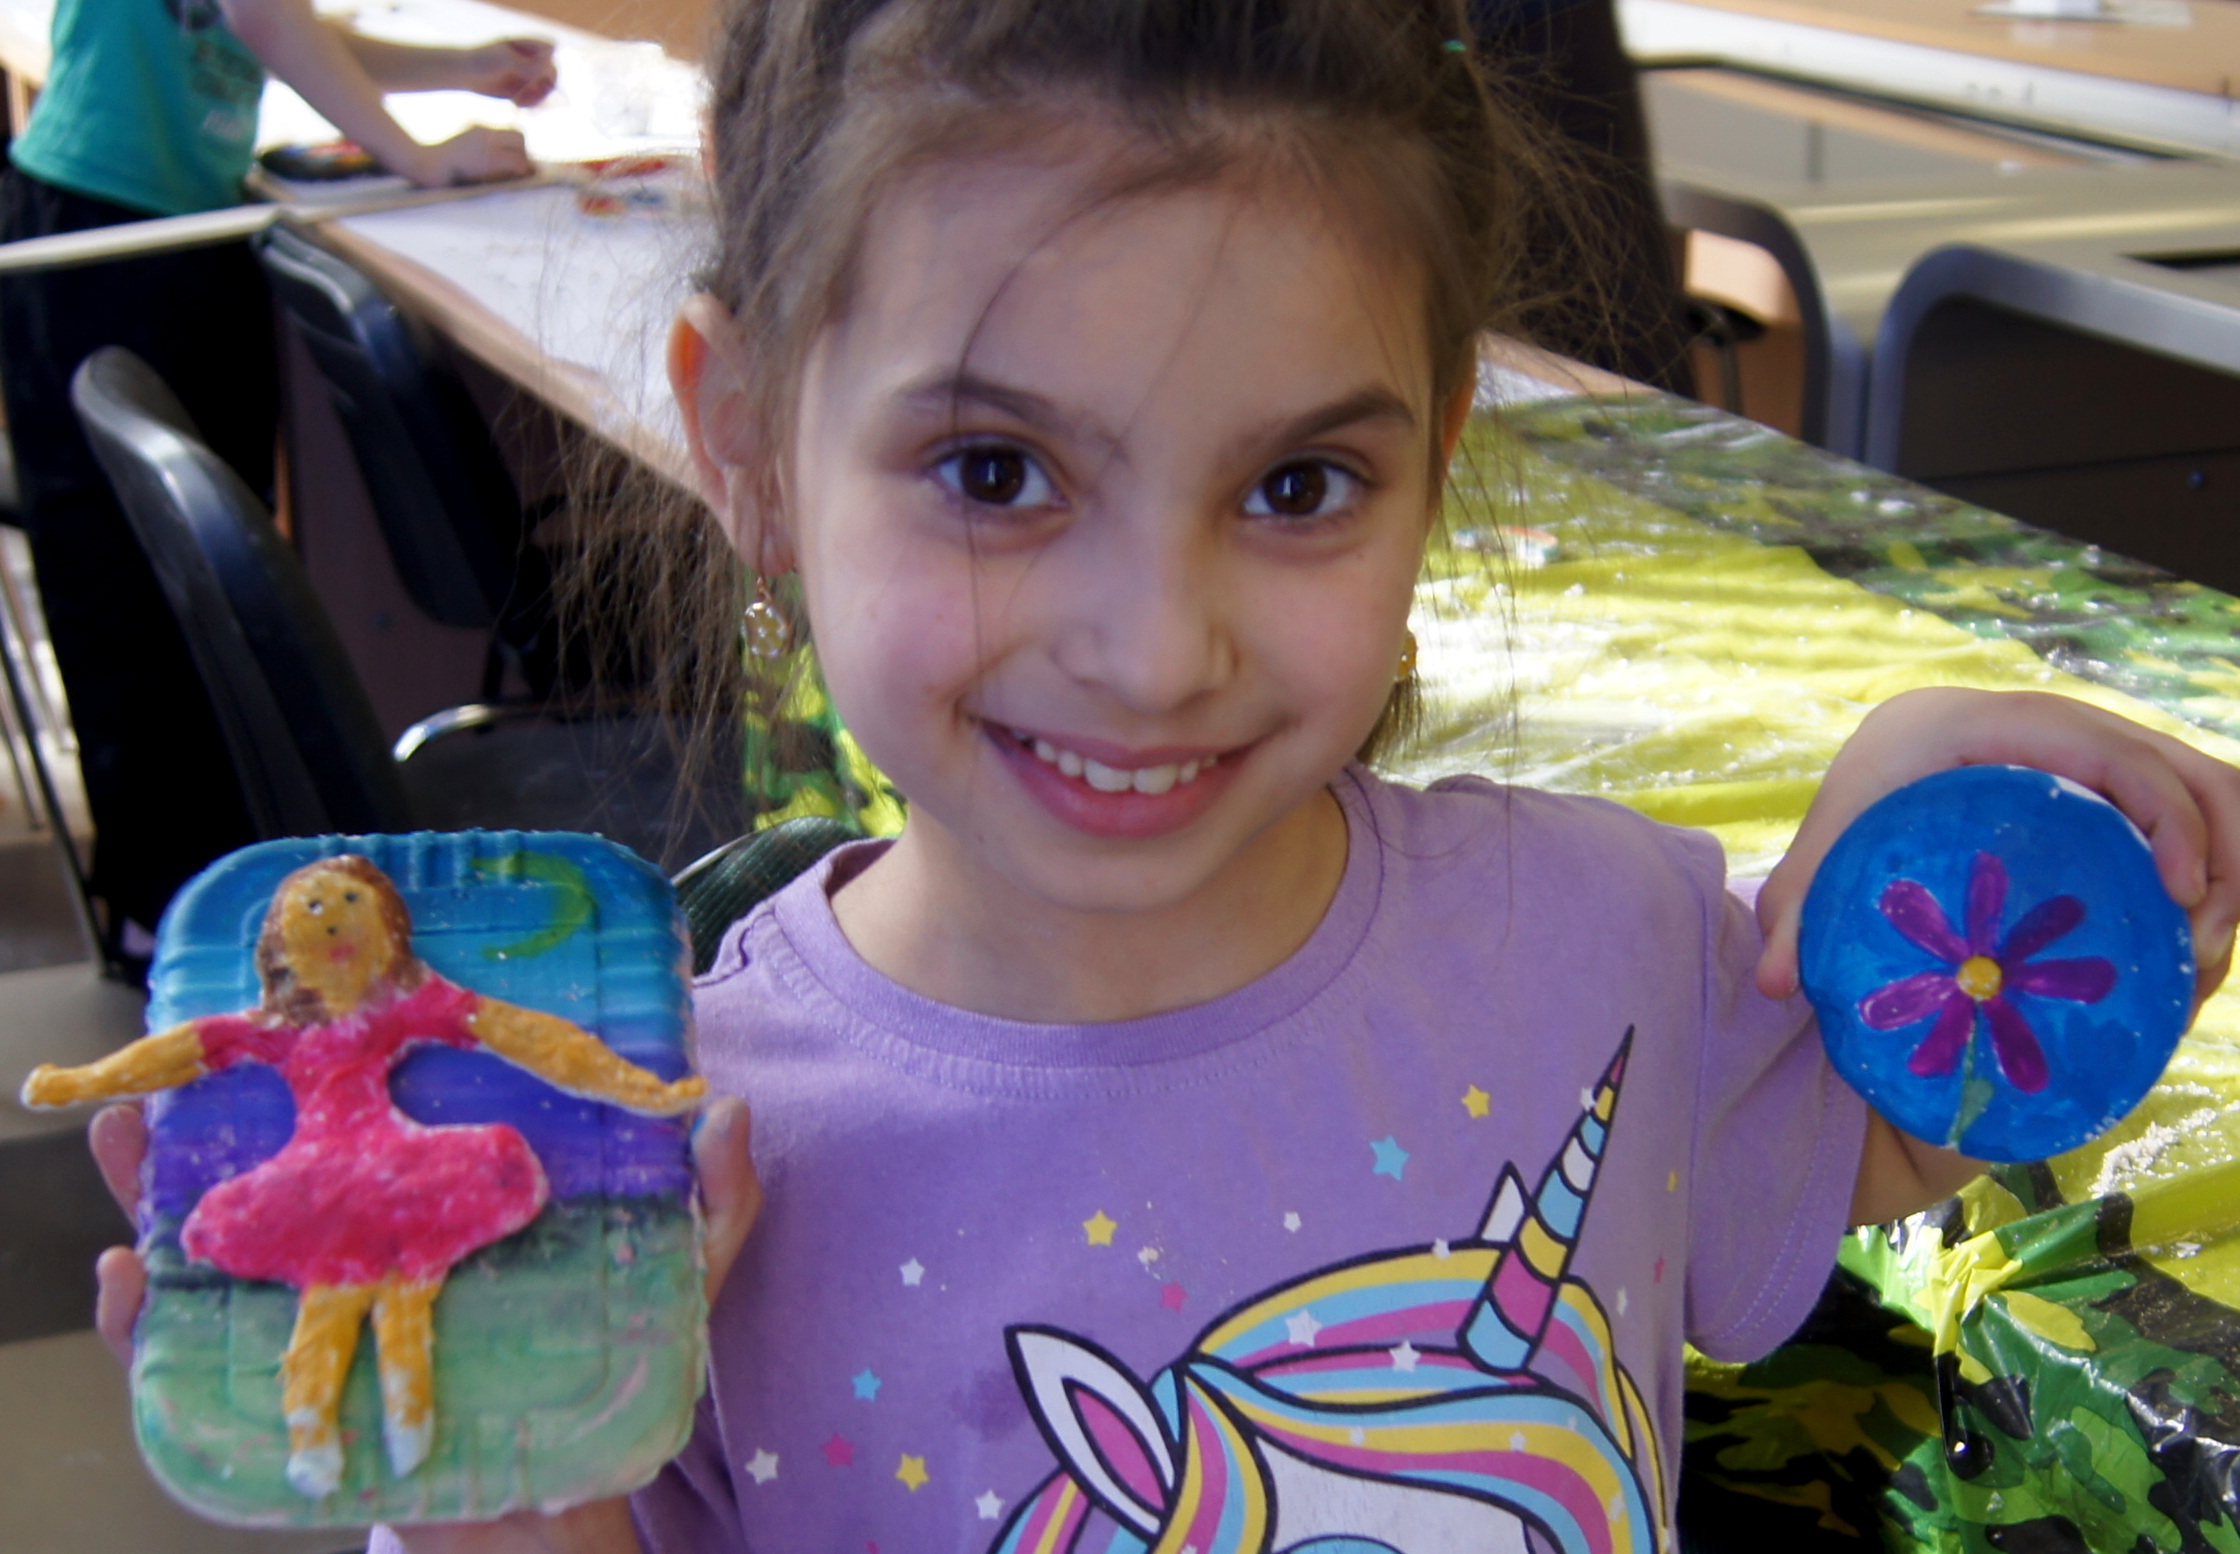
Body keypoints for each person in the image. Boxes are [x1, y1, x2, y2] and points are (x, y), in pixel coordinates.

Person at [75, 1, 2240, 1549]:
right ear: (749, 445)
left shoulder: (1615, 938)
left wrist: (1963, 844)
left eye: (1296, 484)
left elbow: (1929, 1099)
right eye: (994, 469)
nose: (1153, 646)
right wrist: (499, 1489)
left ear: (1434, 458)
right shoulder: (662, 1178)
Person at [0, 0, 555, 976]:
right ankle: (162, 920)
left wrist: (461, 66)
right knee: (130, 603)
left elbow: (269, 22)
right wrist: (419, 156)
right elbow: (263, 17)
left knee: (180, 607)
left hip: (166, 227)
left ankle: (199, 896)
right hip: (104, 232)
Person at [21, 855, 705, 1499]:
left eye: (350, 902)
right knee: (336, 1296)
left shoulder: (407, 1005)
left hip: (403, 1174)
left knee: (404, 1289)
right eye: (314, 907)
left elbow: (527, 1034)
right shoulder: (274, 1025)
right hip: (316, 1184)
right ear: (282, 943)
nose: (332, 922)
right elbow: (174, 1051)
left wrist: (635, 1085)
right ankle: (318, 1430)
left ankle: (402, 1419)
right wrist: (81, 1080)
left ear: (385, 929)